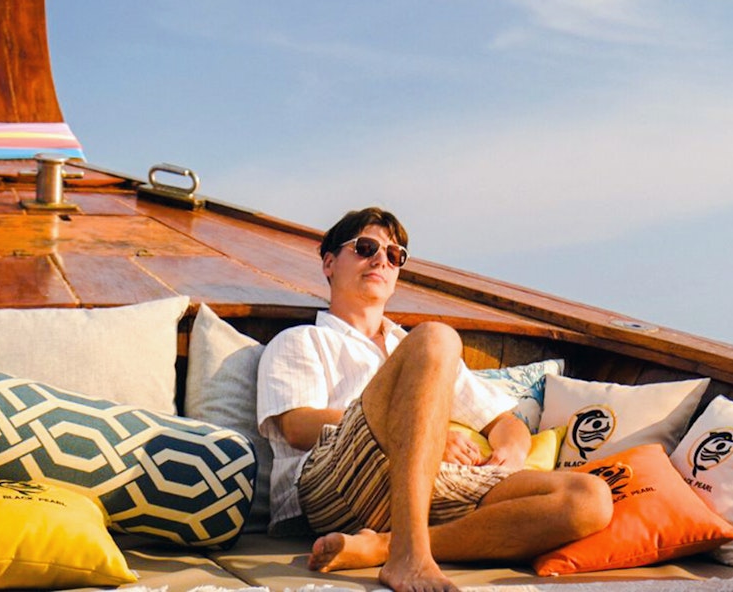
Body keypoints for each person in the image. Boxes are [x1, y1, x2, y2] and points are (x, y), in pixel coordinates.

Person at [257, 207, 613, 592]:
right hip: (333, 487)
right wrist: (421, 433)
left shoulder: (413, 349)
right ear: (329, 263)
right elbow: (297, 426)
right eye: (365, 247)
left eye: (394, 256)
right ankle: (409, 556)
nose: (381, 259)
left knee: (589, 499)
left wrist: (510, 450)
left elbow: (504, 420)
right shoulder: (301, 341)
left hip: (429, 488)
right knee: (436, 336)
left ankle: (384, 547)